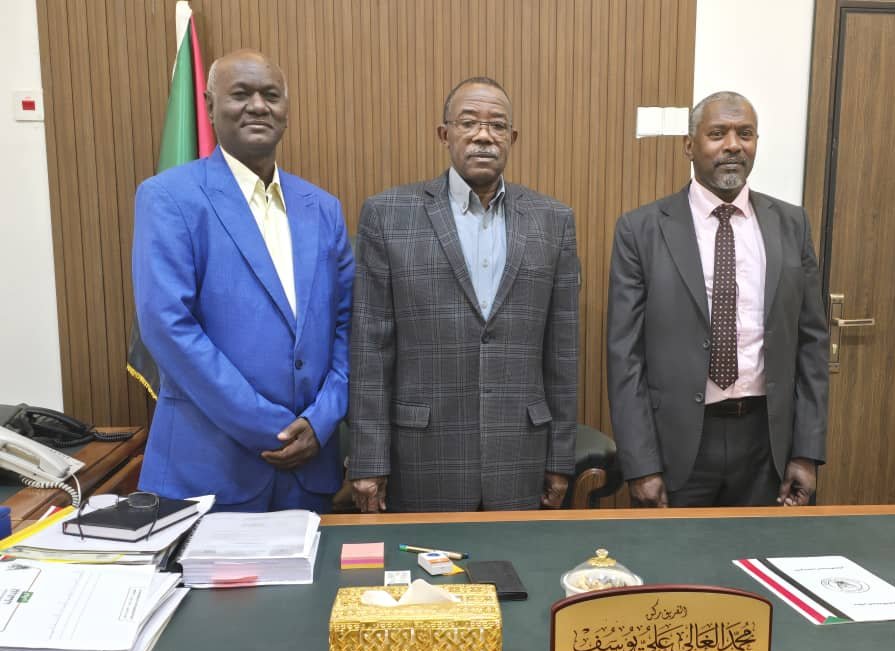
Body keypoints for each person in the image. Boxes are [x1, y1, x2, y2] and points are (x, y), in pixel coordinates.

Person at [132, 50, 353, 512]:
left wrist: (322, 419)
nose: (257, 106)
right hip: (209, 473)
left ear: (286, 109)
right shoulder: (169, 198)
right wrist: (270, 427)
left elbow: (348, 325)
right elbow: (167, 325)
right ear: (210, 106)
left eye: (270, 95)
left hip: (310, 471)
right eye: (241, 94)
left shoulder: (322, 208)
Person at [349, 77, 578, 513]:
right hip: (422, 455)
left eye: (497, 125)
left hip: (521, 454)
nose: (483, 135)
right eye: (469, 122)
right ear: (445, 134)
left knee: (520, 558)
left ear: (512, 138)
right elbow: (370, 350)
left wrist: (560, 457)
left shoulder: (553, 220)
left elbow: (562, 352)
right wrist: (368, 460)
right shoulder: (388, 214)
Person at [606, 91, 828, 508]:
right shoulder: (641, 229)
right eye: (717, 134)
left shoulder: (792, 224)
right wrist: (641, 464)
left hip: (768, 444)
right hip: (677, 446)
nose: (733, 145)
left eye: (745, 134)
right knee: (676, 552)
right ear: (689, 145)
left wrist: (806, 451)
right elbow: (624, 356)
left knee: (763, 550)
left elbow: (812, 343)